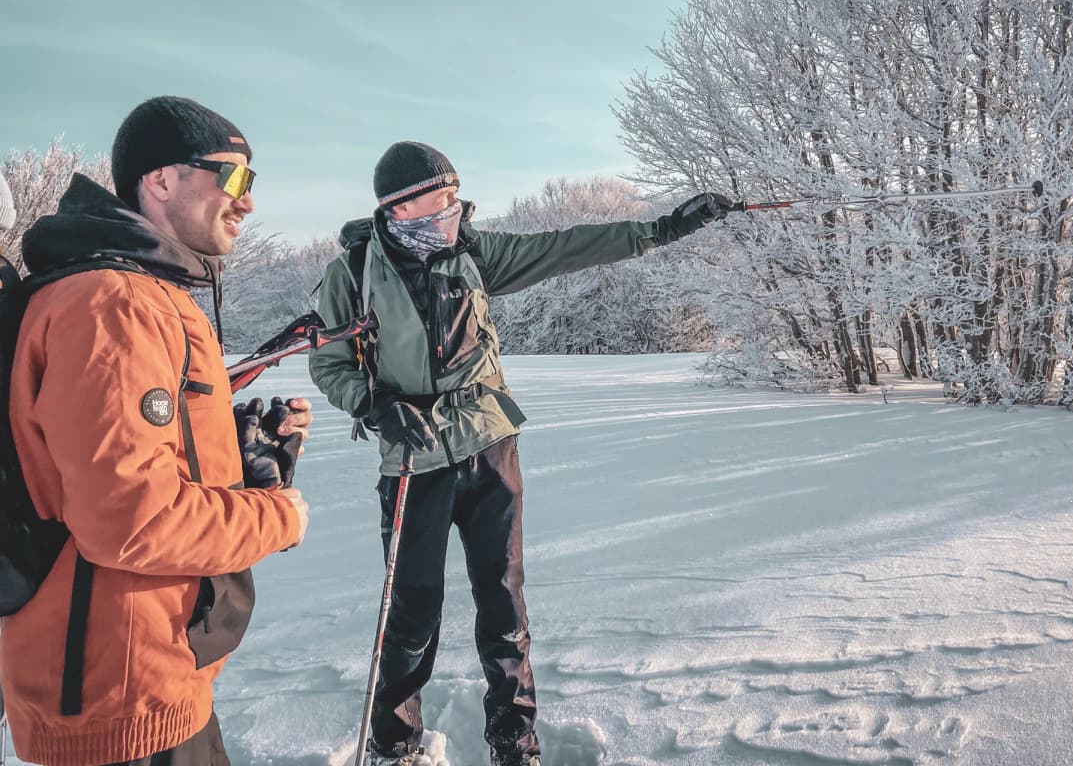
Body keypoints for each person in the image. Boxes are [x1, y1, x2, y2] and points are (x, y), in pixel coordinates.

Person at [310, 141, 731, 766]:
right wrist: (373, 407)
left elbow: (568, 248)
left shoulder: (473, 252)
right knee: (411, 611)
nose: (451, 207)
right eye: (438, 197)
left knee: (503, 600)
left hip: (489, 446)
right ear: (399, 206)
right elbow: (327, 359)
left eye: (455, 194)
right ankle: (395, 745)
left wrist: (665, 228)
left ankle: (515, 740)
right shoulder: (354, 271)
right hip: (413, 461)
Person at [2, 96, 313, 766]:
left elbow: (129, 465)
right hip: (119, 694)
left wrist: (240, 453)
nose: (247, 202)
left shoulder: (142, 293)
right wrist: (276, 517)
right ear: (162, 180)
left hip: (150, 676)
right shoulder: (112, 303)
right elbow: (129, 519)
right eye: (233, 179)